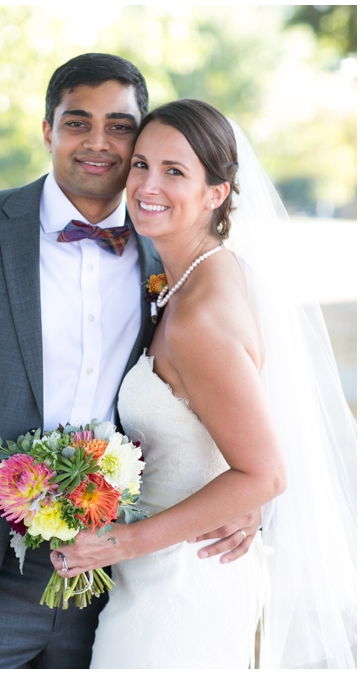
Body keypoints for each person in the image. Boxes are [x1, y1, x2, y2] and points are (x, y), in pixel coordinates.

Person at [0, 53, 258, 668]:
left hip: (111, 582)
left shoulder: (171, 257)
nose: (98, 144)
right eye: (77, 123)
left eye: (120, 127)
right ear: (48, 130)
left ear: (140, 136)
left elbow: (233, 397)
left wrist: (247, 496)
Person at [52, 99, 357, 668]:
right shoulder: (210, 271)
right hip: (167, 572)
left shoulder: (197, 320)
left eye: (175, 171)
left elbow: (264, 472)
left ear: (217, 193)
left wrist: (121, 541)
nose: (147, 184)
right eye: (141, 163)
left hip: (181, 587)